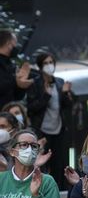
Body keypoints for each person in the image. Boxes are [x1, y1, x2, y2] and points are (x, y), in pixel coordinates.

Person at [25, 51, 73, 188]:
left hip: (58, 129)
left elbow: (67, 106)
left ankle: (60, 188)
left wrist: (65, 93)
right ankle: (41, 187)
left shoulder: (59, 82)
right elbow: (31, 108)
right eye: (45, 63)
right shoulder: (34, 84)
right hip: (41, 130)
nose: (49, 65)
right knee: (42, 162)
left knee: (59, 162)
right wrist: (46, 95)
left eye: (51, 62)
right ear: (40, 66)